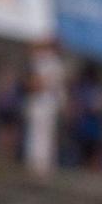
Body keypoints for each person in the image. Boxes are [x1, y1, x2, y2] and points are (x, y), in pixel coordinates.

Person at [24, 39, 65, 176]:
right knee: (39, 133)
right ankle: (38, 163)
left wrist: (36, 84)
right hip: (44, 101)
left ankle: (40, 165)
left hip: (45, 101)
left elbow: (39, 82)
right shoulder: (53, 63)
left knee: (42, 134)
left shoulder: (48, 62)